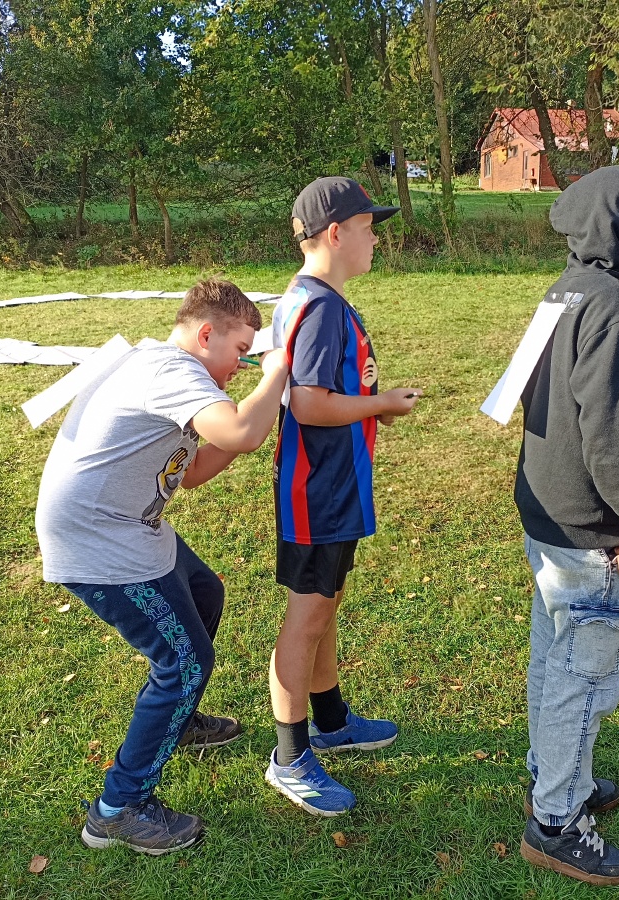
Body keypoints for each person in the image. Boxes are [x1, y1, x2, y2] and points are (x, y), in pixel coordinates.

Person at [34, 279, 290, 855]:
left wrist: (262, 413)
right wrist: (276, 373)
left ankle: (178, 720)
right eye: (240, 350)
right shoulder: (172, 370)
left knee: (205, 593)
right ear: (206, 334)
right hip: (98, 541)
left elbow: (191, 472)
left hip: (130, 527)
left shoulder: (171, 371)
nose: (241, 365)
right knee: (185, 660)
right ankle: (117, 809)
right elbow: (240, 431)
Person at [515, 164, 619, 886]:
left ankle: (555, 773)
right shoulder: (612, 303)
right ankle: (555, 821)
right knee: (583, 675)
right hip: (584, 523)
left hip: (545, 508)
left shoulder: (565, 289)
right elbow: (611, 428)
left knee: (554, 654)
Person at [265, 176, 422, 816]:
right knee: (306, 618)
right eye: (367, 228)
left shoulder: (308, 296)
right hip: (319, 490)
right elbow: (308, 403)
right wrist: (382, 404)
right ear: (335, 233)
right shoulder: (323, 307)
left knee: (325, 605)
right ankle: (289, 757)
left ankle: (330, 721)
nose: (375, 240)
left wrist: (373, 404)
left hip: (328, 484)